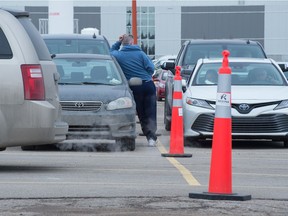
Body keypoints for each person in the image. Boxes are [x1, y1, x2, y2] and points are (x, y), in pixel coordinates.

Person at [110, 34, 157, 147]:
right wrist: (146, 75)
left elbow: (110, 51)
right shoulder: (141, 54)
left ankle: (136, 132)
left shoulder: (118, 55)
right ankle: (151, 137)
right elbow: (151, 68)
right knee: (150, 112)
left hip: (134, 87)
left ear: (123, 44)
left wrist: (118, 42)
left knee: (140, 112)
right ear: (132, 43)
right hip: (148, 85)